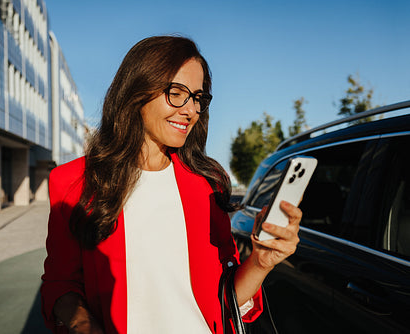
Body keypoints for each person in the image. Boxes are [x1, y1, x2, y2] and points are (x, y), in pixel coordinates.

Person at [41, 35, 301, 334]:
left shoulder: (209, 183)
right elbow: (61, 283)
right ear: (137, 91)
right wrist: (84, 324)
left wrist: (261, 262)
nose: (190, 110)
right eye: (176, 93)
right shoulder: (74, 182)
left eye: (198, 98)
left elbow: (225, 302)